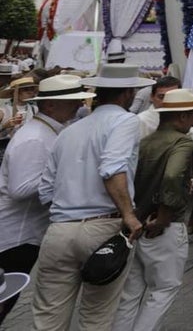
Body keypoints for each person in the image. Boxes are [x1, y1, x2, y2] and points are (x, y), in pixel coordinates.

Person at [31, 62, 154, 330]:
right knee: (95, 318)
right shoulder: (125, 121)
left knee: (48, 320)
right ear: (128, 93)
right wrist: (129, 215)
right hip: (103, 227)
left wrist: (69, 208)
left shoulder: (68, 131)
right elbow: (111, 169)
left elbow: (46, 191)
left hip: (60, 230)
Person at [0, 75, 91, 325]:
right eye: (71, 101)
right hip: (15, 237)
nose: (78, 105)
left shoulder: (47, 132)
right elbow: (20, 189)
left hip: (23, 234)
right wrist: (63, 175)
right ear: (50, 105)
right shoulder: (35, 137)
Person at [113, 88, 193, 331]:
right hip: (163, 227)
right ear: (183, 116)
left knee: (130, 294)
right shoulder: (182, 141)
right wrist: (164, 216)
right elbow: (172, 176)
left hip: (138, 225)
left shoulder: (145, 142)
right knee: (164, 289)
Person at [0, 75, 38, 164]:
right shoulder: (3, 110)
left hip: (27, 149)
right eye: (26, 89)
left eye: (32, 89)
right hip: (6, 148)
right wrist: (5, 126)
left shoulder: (34, 109)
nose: (30, 92)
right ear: (15, 92)